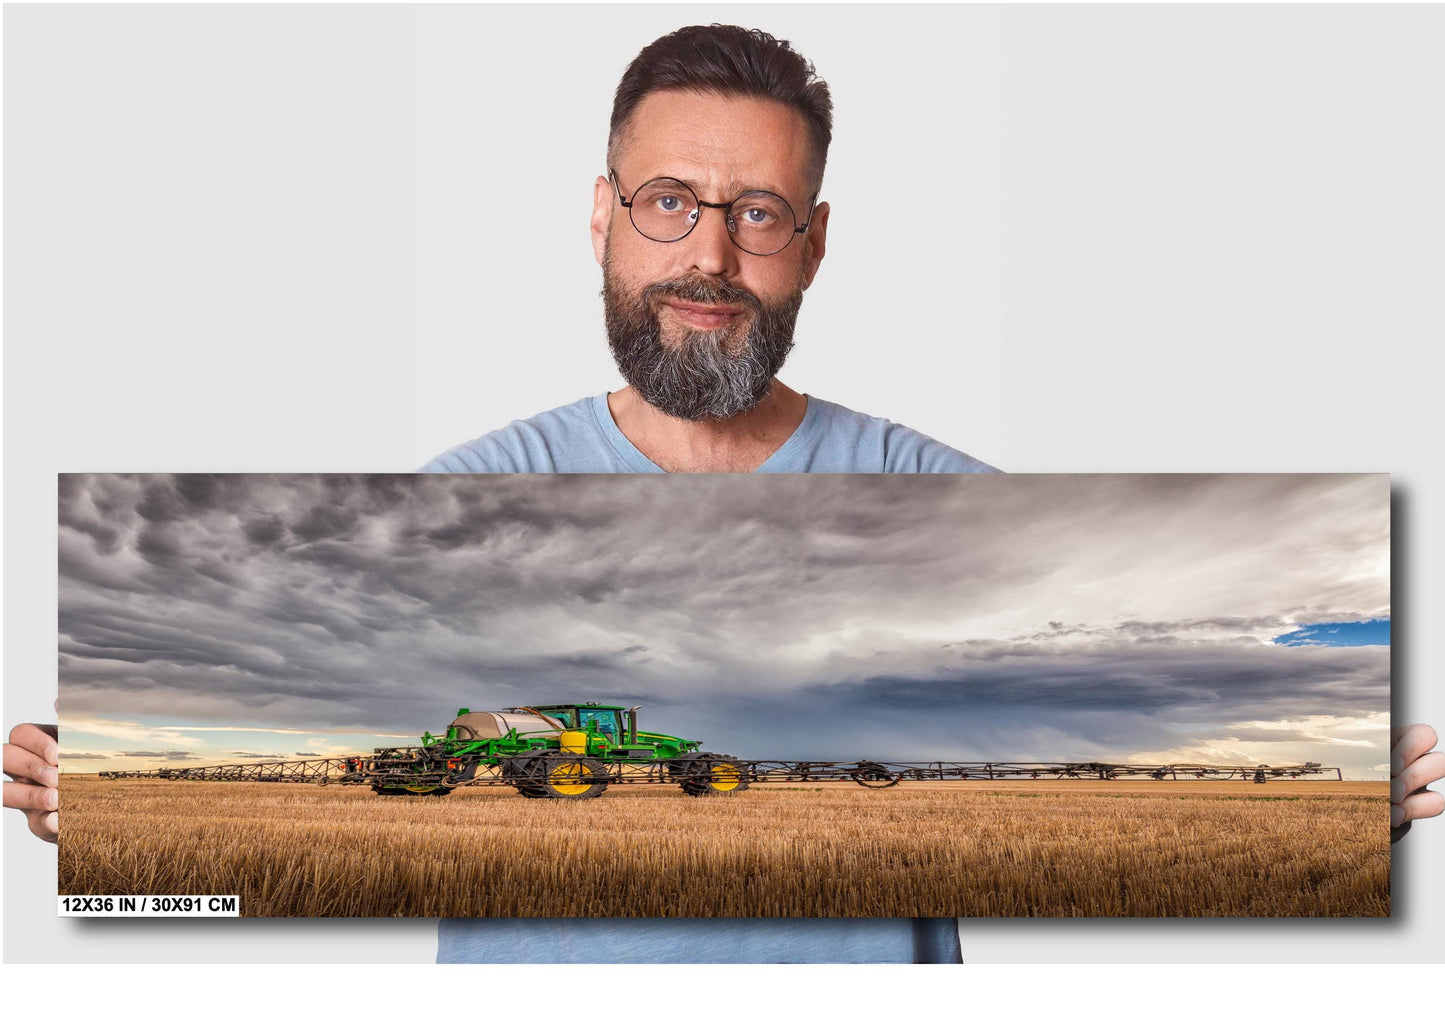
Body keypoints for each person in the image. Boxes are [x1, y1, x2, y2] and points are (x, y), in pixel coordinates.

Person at [8, 23, 1443, 963]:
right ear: (602, 216)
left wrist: (1335, 808)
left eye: (756, 213)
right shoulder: (463, 490)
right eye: (668, 202)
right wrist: (116, 807)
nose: (709, 254)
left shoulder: (946, 499)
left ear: (811, 243)